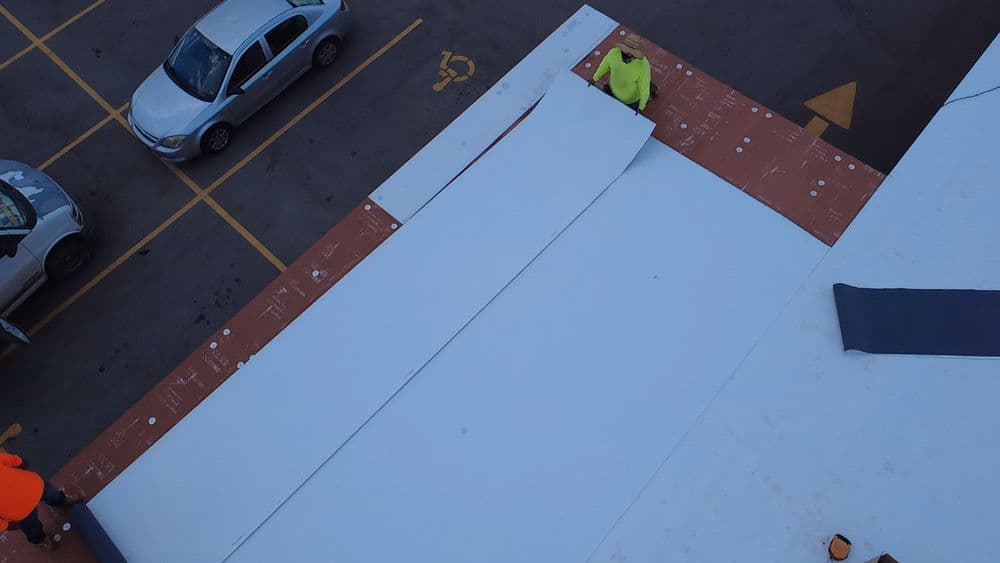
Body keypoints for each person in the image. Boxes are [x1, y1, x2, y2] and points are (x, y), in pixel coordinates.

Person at [0, 452, 80, 551]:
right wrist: (21, 463)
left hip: (20, 512)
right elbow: (13, 460)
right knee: (52, 494)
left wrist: (8, 526)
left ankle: (42, 541)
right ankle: (64, 500)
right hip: (33, 486)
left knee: (33, 529)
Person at [591, 33, 659, 112]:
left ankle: (651, 90)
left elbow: (644, 89)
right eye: (625, 52)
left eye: (631, 54)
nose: (628, 56)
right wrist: (595, 78)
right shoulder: (613, 53)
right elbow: (603, 67)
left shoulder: (643, 66)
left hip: (632, 100)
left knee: (645, 86)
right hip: (614, 90)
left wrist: (641, 107)